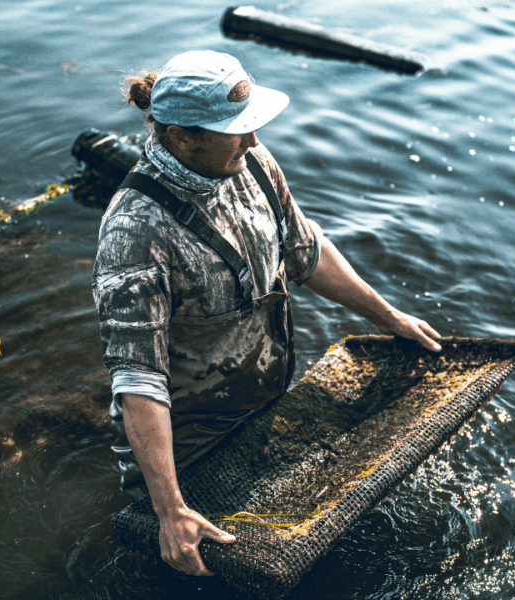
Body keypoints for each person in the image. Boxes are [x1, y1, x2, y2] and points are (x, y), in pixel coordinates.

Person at [92, 50, 441, 578]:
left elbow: (305, 251)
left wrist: (387, 316)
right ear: (184, 137)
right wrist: (169, 509)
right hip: (191, 446)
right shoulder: (135, 232)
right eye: (236, 129)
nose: (253, 139)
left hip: (263, 403)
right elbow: (139, 380)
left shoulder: (248, 160)